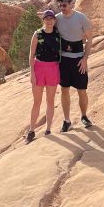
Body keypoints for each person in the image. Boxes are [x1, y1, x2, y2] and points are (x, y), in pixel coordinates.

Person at [55, 0, 93, 130]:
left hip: (78, 60)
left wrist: (85, 58)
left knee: (81, 90)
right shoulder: (57, 19)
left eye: (64, 5)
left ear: (71, 4)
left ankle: (84, 116)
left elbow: (89, 39)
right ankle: (66, 120)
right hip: (63, 61)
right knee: (64, 89)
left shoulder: (81, 18)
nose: (62, 8)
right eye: (60, 5)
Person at [26, 9, 61, 143]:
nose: (49, 21)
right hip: (39, 67)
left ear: (54, 20)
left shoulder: (58, 34)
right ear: (43, 20)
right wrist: (32, 73)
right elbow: (31, 54)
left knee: (50, 101)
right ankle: (31, 130)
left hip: (53, 68)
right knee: (37, 101)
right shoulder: (37, 34)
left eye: (51, 18)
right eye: (47, 18)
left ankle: (48, 129)